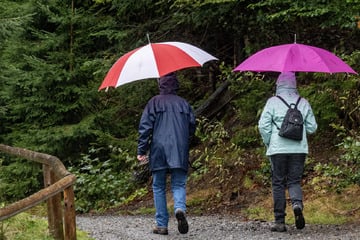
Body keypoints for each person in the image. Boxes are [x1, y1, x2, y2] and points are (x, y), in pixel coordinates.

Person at [137, 72, 196, 235]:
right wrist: (184, 140)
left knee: (158, 186)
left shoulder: (154, 102)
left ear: (160, 84)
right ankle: (179, 208)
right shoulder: (184, 104)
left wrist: (141, 150)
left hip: (159, 149)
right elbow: (192, 127)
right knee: (178, 183)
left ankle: (162, 224)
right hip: (179, 148)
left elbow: (145, 128)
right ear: (176, 84)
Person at [258, 72, 317, 232]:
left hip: (278, 149)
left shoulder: (272, 102)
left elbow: (263, 126)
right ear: (294, 84)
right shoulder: (303, 102)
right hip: (299, 149)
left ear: (278, 84)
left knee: (278, 182)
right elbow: (312, 128)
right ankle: (297, 204)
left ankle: (279, 222)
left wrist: (269, 142)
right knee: (294, 181)